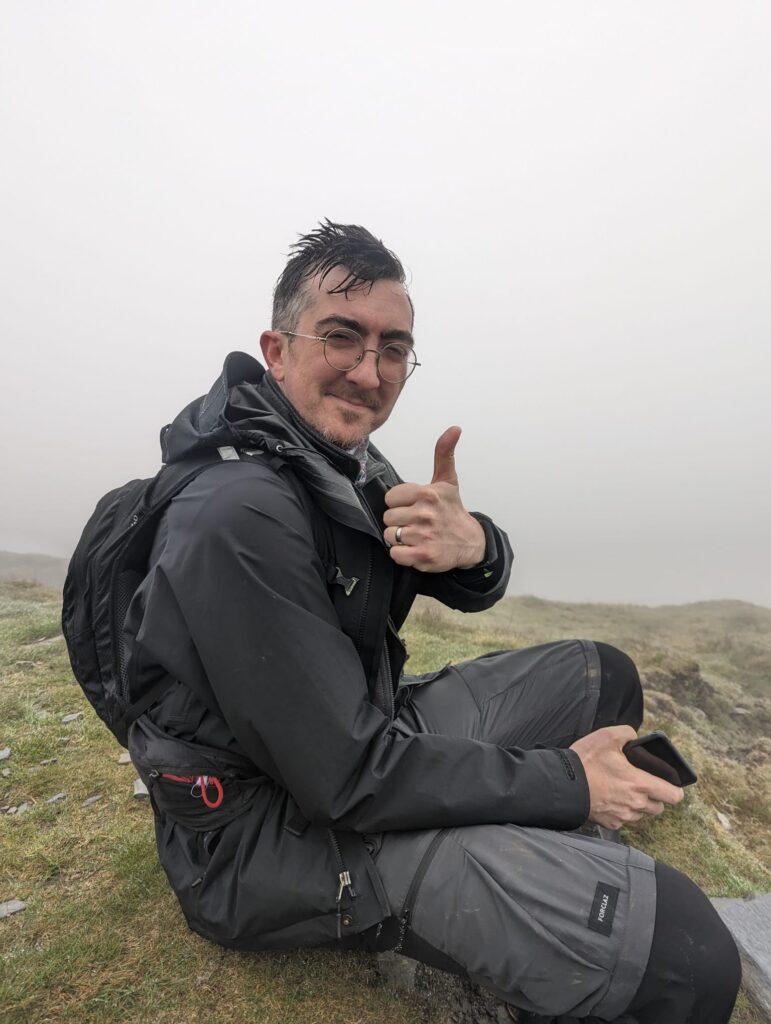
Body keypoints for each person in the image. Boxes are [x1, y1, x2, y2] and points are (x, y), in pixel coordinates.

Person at [124, 221, 740, 1023]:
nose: (368, 371)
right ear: (276, 351)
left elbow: (469, 588)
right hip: (268, 834)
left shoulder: (338, 463)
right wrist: (570, 785)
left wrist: (473, 547)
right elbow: (346, 779)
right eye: (340, 337)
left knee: (602, 678)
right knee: (688, 958)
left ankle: (533, 870)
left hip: (353, 738)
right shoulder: (236, 514)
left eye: (393, 349)